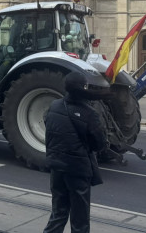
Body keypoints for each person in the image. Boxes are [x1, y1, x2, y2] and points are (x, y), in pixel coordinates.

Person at [42, 72, 107, 233]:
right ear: (84, 88)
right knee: (80, 220)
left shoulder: (54, 106)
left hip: (57, 168)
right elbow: (99, 144)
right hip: (78, 170)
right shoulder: (89, 113)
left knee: (58, 213)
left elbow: (48, 124)